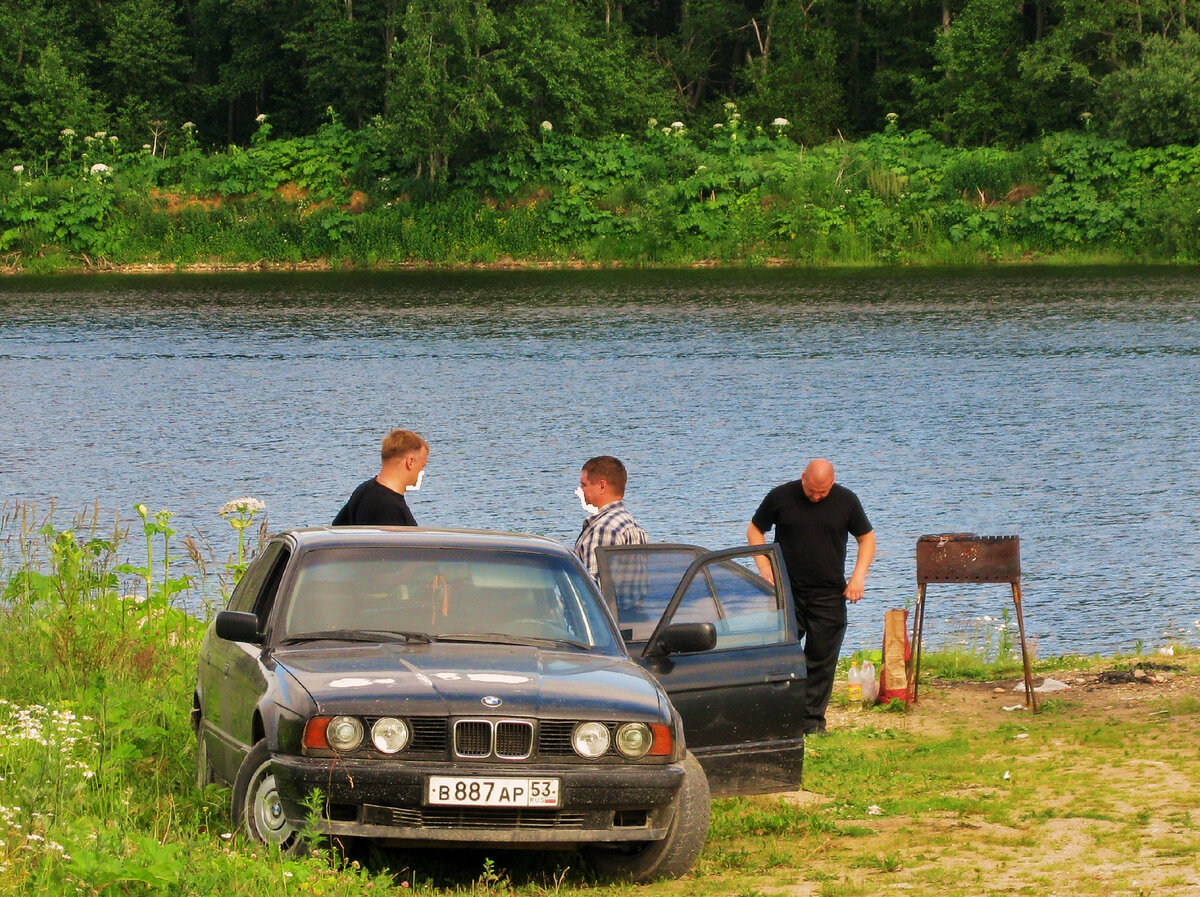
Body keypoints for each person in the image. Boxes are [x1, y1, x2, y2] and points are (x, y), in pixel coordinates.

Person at [747, 458, 876, 735]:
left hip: (829, 594)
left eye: (823, 492)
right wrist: (763, 565)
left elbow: (867, 538)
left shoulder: (847, 501)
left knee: (821, 660)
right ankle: (778, 717)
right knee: (780, 656)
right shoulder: (780, 496)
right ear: (803, 477)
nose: (817, 497)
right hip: (787, 591)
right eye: (812, 491)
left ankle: (811, 723)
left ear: (833, 482)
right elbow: (755, 529)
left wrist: (858, 577)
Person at [572, 456, 649, 578]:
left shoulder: (603, 528)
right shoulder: (636, 528)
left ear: (602, 486)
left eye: (584, 485)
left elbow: (596, 587)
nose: (580, 490)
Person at [332, 429, 429, 526]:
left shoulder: (363, 490)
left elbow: (336, 528)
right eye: (422, 466)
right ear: (410, 462)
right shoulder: (390, 509)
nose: (422, 472)